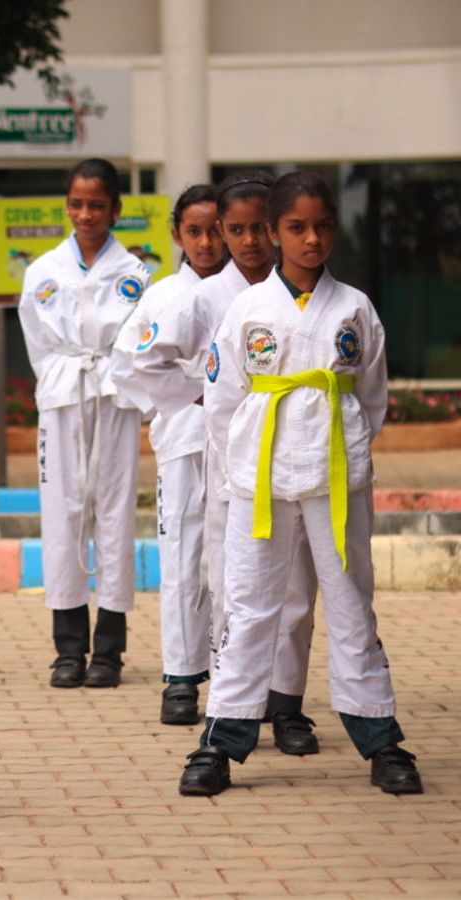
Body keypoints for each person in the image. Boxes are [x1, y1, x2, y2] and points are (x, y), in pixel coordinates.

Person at [180, 171, 423, 796]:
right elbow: (222, 401)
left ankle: (379, 737)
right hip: (258, 479)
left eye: (322, 226)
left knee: (349, 602)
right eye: (296, 227)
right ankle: (222, 739)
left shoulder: (355, 308)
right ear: (272, 233)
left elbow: (371, 398)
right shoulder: (247, 309)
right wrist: (240, 473)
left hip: (336, 476)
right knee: (249, 605)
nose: (311, 239)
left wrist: (343, 446)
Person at [188, 173, 322, 752]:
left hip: (310, 465)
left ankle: (287, 704)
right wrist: (241, 461)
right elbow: (219, 402)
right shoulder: (222, 300)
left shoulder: (328, 300)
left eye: (256, 230)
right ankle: (232, 703)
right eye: (235, 231)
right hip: (241, 470)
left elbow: (366, 398)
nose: (248, 243)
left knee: (298, 590)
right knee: (237, 591)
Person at [17, 158, 152, 690]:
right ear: (66, 206)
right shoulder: (42, 271)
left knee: (115, 513)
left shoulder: (136, 273)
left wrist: (114, 376)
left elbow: (140, 341)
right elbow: (38, 343)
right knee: (63, 514)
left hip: (113, 397)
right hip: (63, 397)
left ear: (116, 209)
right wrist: (61, 376)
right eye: (77, 204)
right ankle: (68, 648)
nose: (86, 214)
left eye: (97, 204)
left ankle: (110, 650)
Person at [110, 184, 224, 723]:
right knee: (182, 554)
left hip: (244, 440)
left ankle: (238, 675)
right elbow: (128, 365)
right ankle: (181, 676)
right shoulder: (160, 296)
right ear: (176, 234)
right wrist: (193, 391)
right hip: (183, 436)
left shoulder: (247, 291)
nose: (206, 242)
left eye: (215, 230)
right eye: (194, 231)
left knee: (236, 562)